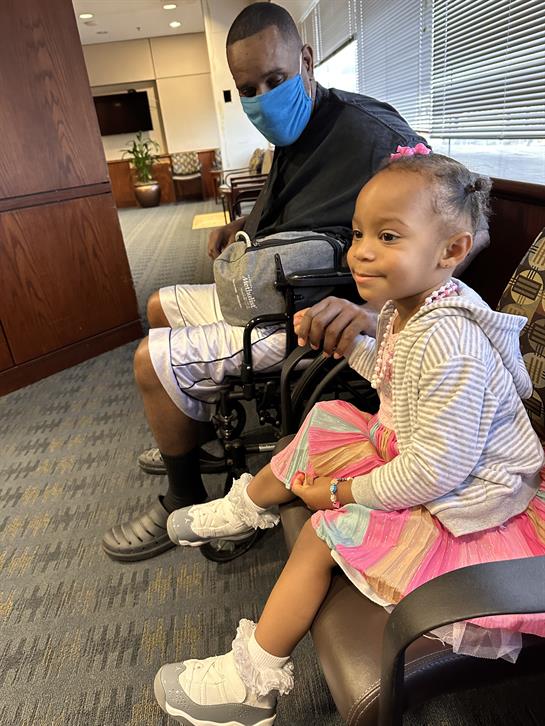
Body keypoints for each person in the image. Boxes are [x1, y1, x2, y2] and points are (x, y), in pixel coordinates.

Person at [153, 150, 545, 726]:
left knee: (323, 531)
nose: (359, 251)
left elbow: (436, 471)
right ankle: (246, 508)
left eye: (388, 236)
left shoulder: (449, 341)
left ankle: (250, 685)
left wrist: (339, 494)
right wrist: (352, 348)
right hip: (427, 452)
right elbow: (398, 379)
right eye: (359, 233)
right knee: (328, 418)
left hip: (469, 498)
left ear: (451, 251)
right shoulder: (411, 309)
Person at [102, 2, 432, 561]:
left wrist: (377, 316)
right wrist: (239, 227)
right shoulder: (295, 134)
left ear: (306, 59)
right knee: (158, 306)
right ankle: (193, 436)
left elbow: (458, 231)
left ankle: (183, 494)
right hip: (265, 285)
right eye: (247, 89)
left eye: (275, 80)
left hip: (307, 314)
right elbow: (283, 216)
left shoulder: (371, 134)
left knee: (147, 360)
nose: (262, 100)